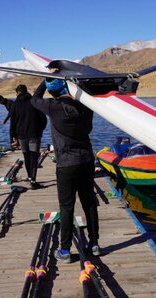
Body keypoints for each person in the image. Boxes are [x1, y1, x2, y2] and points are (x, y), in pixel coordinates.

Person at [30, 77, 100, 263]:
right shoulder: (85, 106)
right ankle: (94, 244)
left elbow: (34, 99)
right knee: (89, 202)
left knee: (67, 206)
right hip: (86, 160)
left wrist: (44, 81)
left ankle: (65, 250)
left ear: (52, 91)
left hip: (66, 164)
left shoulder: (53, 106)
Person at [0, 86, 47, 188]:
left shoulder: (14, 104)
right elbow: (43, 119)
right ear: (26, 91)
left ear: (17, 93)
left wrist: (13, 138)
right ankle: (33, 180)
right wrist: (40, 130)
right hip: (34, 134)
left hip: (21, 136)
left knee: (26, 156)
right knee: (34, 157)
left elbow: (13, 123)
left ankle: (29, 177)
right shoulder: (34, 102)